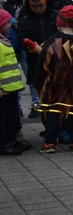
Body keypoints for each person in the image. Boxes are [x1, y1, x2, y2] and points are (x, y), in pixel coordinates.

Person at [32, 5, 73, 153]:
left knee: (52, 112)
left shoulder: (51, 43)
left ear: (58, 23)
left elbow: (41, 66)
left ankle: (50, 142)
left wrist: (37, 84)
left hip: (53, 86)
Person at [0, 10, 24, 155]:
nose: (10, 26)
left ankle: (12, 140)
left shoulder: (5, 40)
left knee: (11, 116)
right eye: (7, 23)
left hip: (11, 89)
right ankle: (4, 143)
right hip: (3, 90)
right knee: (2, 118)